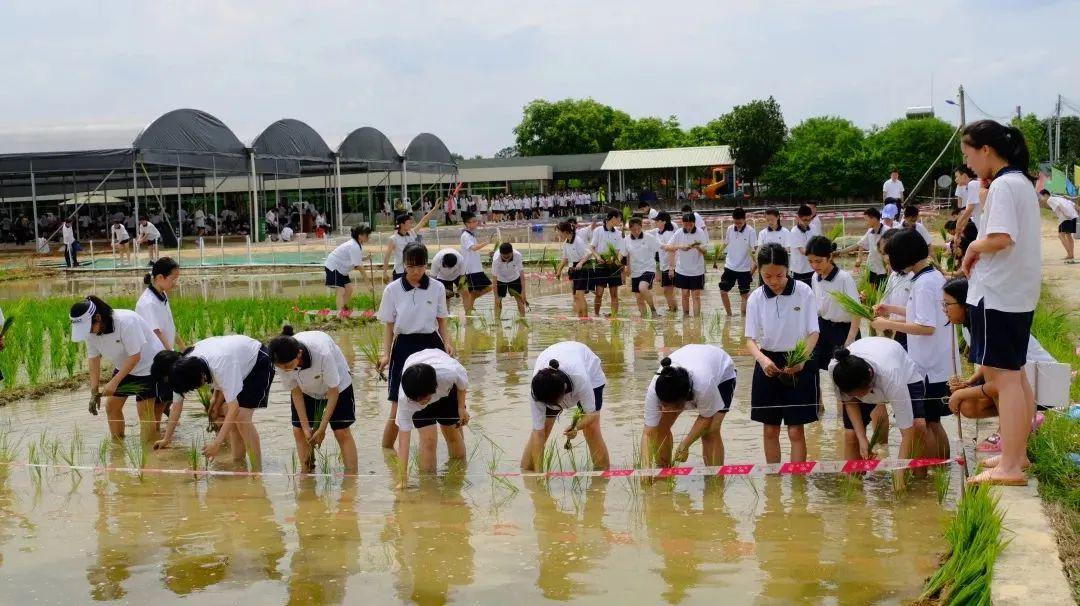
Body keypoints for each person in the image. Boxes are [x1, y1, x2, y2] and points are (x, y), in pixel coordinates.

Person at [959, 120, 1041, 485]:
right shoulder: (1019, 182)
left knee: (1002, 378)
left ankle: (1009, 465)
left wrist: (973, 247)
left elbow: (1002, 237)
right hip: (1016, 292)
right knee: (1014, 374)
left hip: (998, 294)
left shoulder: (1005, 185)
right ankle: (1016, 456)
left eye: (968, 154)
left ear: (985, 150)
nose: (969, 164)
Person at [872, 228, 960, 460]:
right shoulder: (929, 276)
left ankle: (937, 467)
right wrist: (890, 310)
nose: (890, 261)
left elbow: (926, 327)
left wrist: (887, 324)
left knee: (931, 422)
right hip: (937, 363)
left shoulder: (923, 284)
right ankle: (938, 468)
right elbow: (919, 313)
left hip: (931, 367)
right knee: (932, 420)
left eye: (892, 255)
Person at [942, 277, 1054, 441]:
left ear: (966, 305)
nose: (944, 309)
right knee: (967, 404)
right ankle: (1018, 422)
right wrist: (968, 382)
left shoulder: (988, 328)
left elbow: (998, 383)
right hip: (1022, 379)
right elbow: (989, 366)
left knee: (964, 399)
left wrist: (961, 393)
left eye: (947, 304)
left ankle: (1010, 430)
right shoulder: (970, 328)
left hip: (1043, 381)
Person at [744, 243, 820, 463]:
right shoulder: (756, 298)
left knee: (796, 430)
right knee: (770, 430)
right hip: (767, 362)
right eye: (767, 276)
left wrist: (802, 361)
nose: (774, 281)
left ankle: (798, 486)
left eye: (779, 275)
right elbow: (750, 339)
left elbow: (814, 333)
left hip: (798, 359)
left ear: (787, 269)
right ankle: (773, 485)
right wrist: (762, 359)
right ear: (759, 271)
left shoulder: (803, 292)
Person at [154, 334, 274, 467]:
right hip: (232, 360)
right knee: (232, 419)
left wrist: (216, 443)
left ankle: (257, 471)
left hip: (256, 360)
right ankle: (239, 464)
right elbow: (176, 407)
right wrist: (167, 439)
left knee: (241, 417)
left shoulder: (221, 365)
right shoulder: (183, 370)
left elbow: (233, 406)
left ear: (201, 378)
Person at [376, 242, 452, 450]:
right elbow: (389, 326)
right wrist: (386, 354)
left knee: (438, 398)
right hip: (403, 347)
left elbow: (442, 321)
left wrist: (448, 344)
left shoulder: (437, 287)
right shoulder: (392, 290)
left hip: (431, 344)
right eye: (411, 267)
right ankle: (387, 452)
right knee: (396, 403)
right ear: (404, 264)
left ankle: (453, 449)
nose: (416, 272)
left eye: (420, 267)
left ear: (426, 265)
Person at [70, 296, 165, 442]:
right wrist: (94, 391)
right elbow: (93, 359)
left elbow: (135, 356)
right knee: (112, 406)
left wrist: (113, 382)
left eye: (89, 327)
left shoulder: (126, 321)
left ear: (98, 318)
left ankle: (148, 453)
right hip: (125, 366)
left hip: (149, 366)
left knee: (144, 411)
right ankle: (118, 448)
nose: (88, 332)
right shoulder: (90, 332)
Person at [268, 327, 358, 474]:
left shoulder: (322, 353)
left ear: (299, 354)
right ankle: (307, 473)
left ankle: (352, 477)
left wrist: (322, 428)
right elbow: (295, 392)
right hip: (305, 389)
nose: (286, 370)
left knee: (341, 431)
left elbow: (333, 392)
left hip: (338, 385)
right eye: (281, 368)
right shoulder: (281, 362)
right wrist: (305, 427)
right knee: (299, 432)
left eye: (289, 366)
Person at [829, 339, 923, 462]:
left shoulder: (892, 378)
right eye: (855, 395)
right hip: (864, 368)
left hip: (904, 373)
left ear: (869, 379)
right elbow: (850, 402)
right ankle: (853, 480)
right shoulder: (837, 370)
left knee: (917, 427)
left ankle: (918, 477)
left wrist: (899, 477)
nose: (861, 399)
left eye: (861, 395)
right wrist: (862, 438)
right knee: (851, 436)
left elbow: (907, 433)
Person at [641, 345, 736, 467]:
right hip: (692, 361)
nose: (665, 410)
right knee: (660, 428)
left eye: (671, 407)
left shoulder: (704, 385)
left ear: (685, 401)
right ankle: (663, 472)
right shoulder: (654, 390)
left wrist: (685, 445)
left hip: (722, 373)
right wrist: (645, 467)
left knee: (710, 431)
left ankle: (715, 482)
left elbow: (706, 418)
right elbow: (648, 433)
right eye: (663, 405)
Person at [521, 341, 610, 471]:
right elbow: (538, 433)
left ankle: (602, 475)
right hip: (554, 369)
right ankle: (527, 473)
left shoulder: (581, 378)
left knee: (591, 428)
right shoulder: (537, 389)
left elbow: (592, 414)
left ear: (564, 392)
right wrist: (539, 474)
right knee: (543, 429)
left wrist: (576, 427)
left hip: (591, 372)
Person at [394, 348, 469, 488]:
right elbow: (403, 442)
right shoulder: (406, 399)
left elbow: (463, 382)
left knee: (452, 433)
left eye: (423, 399)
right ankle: (429, 488)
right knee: (428, 440)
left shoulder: (449, 373)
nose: (421, 403)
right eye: (417, 400)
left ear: (434, 388)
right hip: (419, 386)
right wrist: (402, 480)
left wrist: (461, 407)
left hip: (447, 393)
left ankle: (457, 480)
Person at [806, 235, 861, 375]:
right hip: (823, 328)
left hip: (843, 331)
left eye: (818, 261)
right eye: (810, 261)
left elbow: (857, 311)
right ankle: (818, 397)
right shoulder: (814, 277)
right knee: (814, 367)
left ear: (829, 256)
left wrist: (850, 339)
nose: (814, 266)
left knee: (845, 374)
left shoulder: (844, 278)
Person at [136, 257, 183, 354]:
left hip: (164, 351)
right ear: (160, 277)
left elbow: (170, 324)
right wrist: (172, 353)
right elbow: (157, 333)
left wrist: (183, 347)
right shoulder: (148, 302)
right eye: (173, 279)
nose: (175, 283)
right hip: (154, 356)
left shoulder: (162, 294)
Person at [383, 205, 440, 282]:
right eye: (409, 222)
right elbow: (387, 257)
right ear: (402, 225)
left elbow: (423, 221)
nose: (411, 224)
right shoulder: (394, 239)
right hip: (400, 271)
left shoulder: (411, 233)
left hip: (413, 269)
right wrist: (384, 272)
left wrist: (434, 209)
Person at [324, 224, 373, 313]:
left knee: (349, 289)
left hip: (342, 269)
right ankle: (340, 315)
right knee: (341, 290)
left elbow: (353, 259)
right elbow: (359, 267)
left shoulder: (357, 245)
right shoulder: (354, 246)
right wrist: (368, 285)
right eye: (367, 235)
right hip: (334, 267)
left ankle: (344, 310)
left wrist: (366, 258)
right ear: (360, 235)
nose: (368, 237)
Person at [668, 212, 709, 317]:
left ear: (694, 223)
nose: (688, 227)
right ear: (682, 223)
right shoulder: (679, 232)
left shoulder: (700, 232)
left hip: (697, 270)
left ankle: (697, 319)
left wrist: (698, 247)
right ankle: (685, 317)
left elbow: (705, 251)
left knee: (696, 296)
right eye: (685, 225)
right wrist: (681, 247)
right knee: (684, 295)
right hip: (682, 270)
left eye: (690, 225)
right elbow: (669, 247)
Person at [719, 207, 757, 316]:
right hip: (729, 267)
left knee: (744, 295)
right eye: (736, 222)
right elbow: (726, 243)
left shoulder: (751, 231)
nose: (738, 225)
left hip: (744, 269)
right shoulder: (730, 228)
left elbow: (754, 250)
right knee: (723, 292)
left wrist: (754, 268)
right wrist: (717, 256)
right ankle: (729, 316)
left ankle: (743, 318)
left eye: (740, 223)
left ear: (745, 219)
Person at [588, 209, 625, 317]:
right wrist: (597, 257)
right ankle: (596, 315)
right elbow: (591, 247)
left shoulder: (618, 233)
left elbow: (618, 251)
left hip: (613, 264)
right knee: (599, 293)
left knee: (614, 293)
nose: (620, 221)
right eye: (619, 219)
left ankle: (614, 316)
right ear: (613, 218)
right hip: (600, 263)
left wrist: (613, 259)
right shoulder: (598, 230)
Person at [622, 217, 661, 317]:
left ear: (641, 227)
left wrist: (658, 270)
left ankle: (653, 310)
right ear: (630, 229)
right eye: (634, 229)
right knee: (639, 298)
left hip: (648, 268)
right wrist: (627, 267)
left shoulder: (649, 237)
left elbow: (658, 251)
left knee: (642, 288)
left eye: (639, 229)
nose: (636, 231)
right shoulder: (626, 240)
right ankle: (644, 319)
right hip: (635, 271)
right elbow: (626, 254)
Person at [840, 207, 887, 289]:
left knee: (882, 292)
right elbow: (859, 244)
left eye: (867, 220)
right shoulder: (870, 232)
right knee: (871, 292)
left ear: (874, 218)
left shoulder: (887, 231)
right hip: (872, 267)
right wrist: (839, 252)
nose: (865, 222)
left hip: (884, 269)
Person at [458, 211, 495, 315]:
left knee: (478, 290)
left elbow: (474, 250)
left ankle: (469, 306)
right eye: (473, 221)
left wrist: (487, 251)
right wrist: (487, 242)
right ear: (467, 223)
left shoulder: (471, 235)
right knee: (488, 287)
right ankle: (468, 310)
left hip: (476, 268)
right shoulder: (465, 235)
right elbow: (473, 248)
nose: (476, 223)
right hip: (471, 269)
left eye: (476, 221)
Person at [555, 220, 592, 318]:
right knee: (576, 296)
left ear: (565, 232)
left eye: (558, 231)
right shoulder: (566, 243)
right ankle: (580, 317)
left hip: (583, 268)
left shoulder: (578, 240)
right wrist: (559, 271)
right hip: (573, 269)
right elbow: (565, 259)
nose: (557, 234)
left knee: (580, 295)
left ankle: (585, 318)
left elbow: (588, 253)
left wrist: (580, 263)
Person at [1038, 189, 1077, 262]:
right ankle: (1071, 254)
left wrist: (1066, 214)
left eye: (1041, 197)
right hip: (1073, 216)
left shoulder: (1050, 200)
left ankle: (1070, 254)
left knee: (1061, 235)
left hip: (1066, 217)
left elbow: (1059, 206)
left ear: (1045, 195)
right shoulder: (1058, 198)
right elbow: (1073, 204)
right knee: (1068, 235)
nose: (1041, 199)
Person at [492, 242, 527, 319]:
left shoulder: (517, 255)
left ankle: (523, 320)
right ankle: (497, 321)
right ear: (501, 254)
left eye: (508, 256)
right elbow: (494, 279)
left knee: (520, 300)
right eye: (504, 257)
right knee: (497, 302)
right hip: (500, 279)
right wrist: (496, 296)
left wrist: (523, 292)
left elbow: (522, 274)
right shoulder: (496, 259)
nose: (506, 258)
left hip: (514, 277)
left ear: (512, 252)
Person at [653, 212, 679, 314]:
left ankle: (673, 310)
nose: (655, 222)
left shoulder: (668, 234)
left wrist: (671, 268)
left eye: (657, 221)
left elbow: (671, 250)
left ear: (664, 221)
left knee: (668, 291)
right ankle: (673, 309)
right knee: (668, 291)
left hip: (670, 265)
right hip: (664, 266)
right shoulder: (659, 232)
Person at [787, 205, 815, 286]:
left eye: (809, 220)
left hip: (811, 268)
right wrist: (819, 251)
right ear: (797, 218)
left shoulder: (813, 228)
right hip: (798, 270)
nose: (807, 222)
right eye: (804, 220)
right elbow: (803, 251)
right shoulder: (794, 231)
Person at [954, 166, 982, 238]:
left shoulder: (973, 184)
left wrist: (959, 223)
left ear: (964, 176)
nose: (955, 180)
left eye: (957, 177)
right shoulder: (974, 184)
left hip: (982, 221)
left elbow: (970, 209)